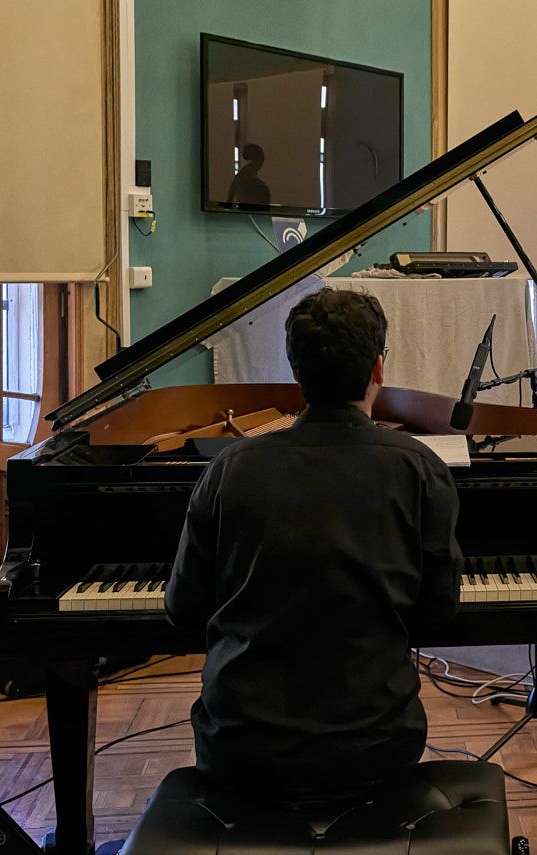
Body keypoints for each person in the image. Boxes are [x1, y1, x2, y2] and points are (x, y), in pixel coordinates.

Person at [166, 288, 461, 805]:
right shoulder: (419, 468)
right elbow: (438, 614)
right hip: (378, 746)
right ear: (378, 369)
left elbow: (183, 610)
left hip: (241, 749)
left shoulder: (230, 469)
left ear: (295, 372)